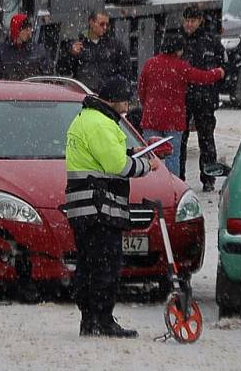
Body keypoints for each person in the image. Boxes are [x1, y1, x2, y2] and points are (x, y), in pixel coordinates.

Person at [64, 75, 158, 338]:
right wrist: (146, 165)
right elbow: (118, 166)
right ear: (114, 100)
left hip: (84, 208)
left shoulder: (86, 118)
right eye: (125, 101)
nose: (127, 108)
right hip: (99, 208)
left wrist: (133, 153)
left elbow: (107, 157)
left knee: (88, 264)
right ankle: (102, 320)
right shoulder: (100, 124)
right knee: (106, 265)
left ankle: (89, 319)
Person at [138, 32, 225, 177]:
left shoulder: (150, 64)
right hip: (173, 118)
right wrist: (218, 72)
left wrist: (147, 106)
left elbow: (142, 89)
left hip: (152, 117)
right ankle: (172, 189)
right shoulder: (180, 67)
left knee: (150, 156)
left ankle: (151, 186)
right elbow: (202, 77)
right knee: (172, 156)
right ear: (179, 50)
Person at [179, 6, 226, 191]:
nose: (189, 24)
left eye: (193, 21)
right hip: (182, 98)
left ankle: (208, 178)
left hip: (205, 98)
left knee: (206, 140)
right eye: (187, 20)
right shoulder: (178, 41)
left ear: (200, 21)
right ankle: (179, 177)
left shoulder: (211, 42)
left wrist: (213, 93)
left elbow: (223, 70)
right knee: (180, 140)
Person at [57, 11, 131, 92]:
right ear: (91, 23)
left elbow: (126, 70)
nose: (105, 27)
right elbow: (62, 69)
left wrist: (119, 90)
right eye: (102, 24)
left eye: (107, 24)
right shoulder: (79, 45)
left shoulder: (115, 45)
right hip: (86, 94)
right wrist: (70, 54)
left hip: (108, 96)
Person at [0, 13, 51, 80]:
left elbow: (47, 78)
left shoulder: (39, 52)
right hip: (10, 89)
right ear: (17, 30)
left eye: (30, 28)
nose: (29, 32)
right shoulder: (1, 53)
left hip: (32, 89)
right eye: (26, 29)